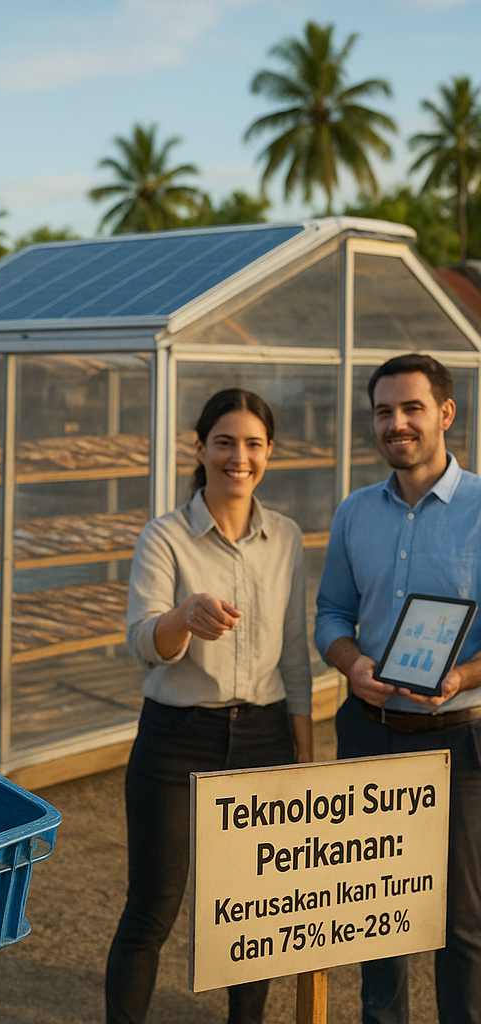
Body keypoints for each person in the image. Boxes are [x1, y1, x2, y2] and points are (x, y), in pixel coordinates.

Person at [105, 388, 313, 1024]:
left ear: (269, 452)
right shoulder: (165, 535)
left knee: (255, 911)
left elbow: (295, 653)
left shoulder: (286, 537)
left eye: (253, 444)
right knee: (153, 905)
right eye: (224, 442)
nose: (238, 457)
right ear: (199, 449)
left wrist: (304, 754)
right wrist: (183, 617)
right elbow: (143, 644)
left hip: (265, 736)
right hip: (176, 737)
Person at [315, 353, 481, 1024]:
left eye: (412, 408)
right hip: (370, 733)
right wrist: (351, 662)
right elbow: (331, 612)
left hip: (460, 745)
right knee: (373, 915)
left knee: (462, 923)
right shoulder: (355, 512)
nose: (397, 423)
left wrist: (463, 675)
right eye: (384, 411)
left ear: (446, 413)